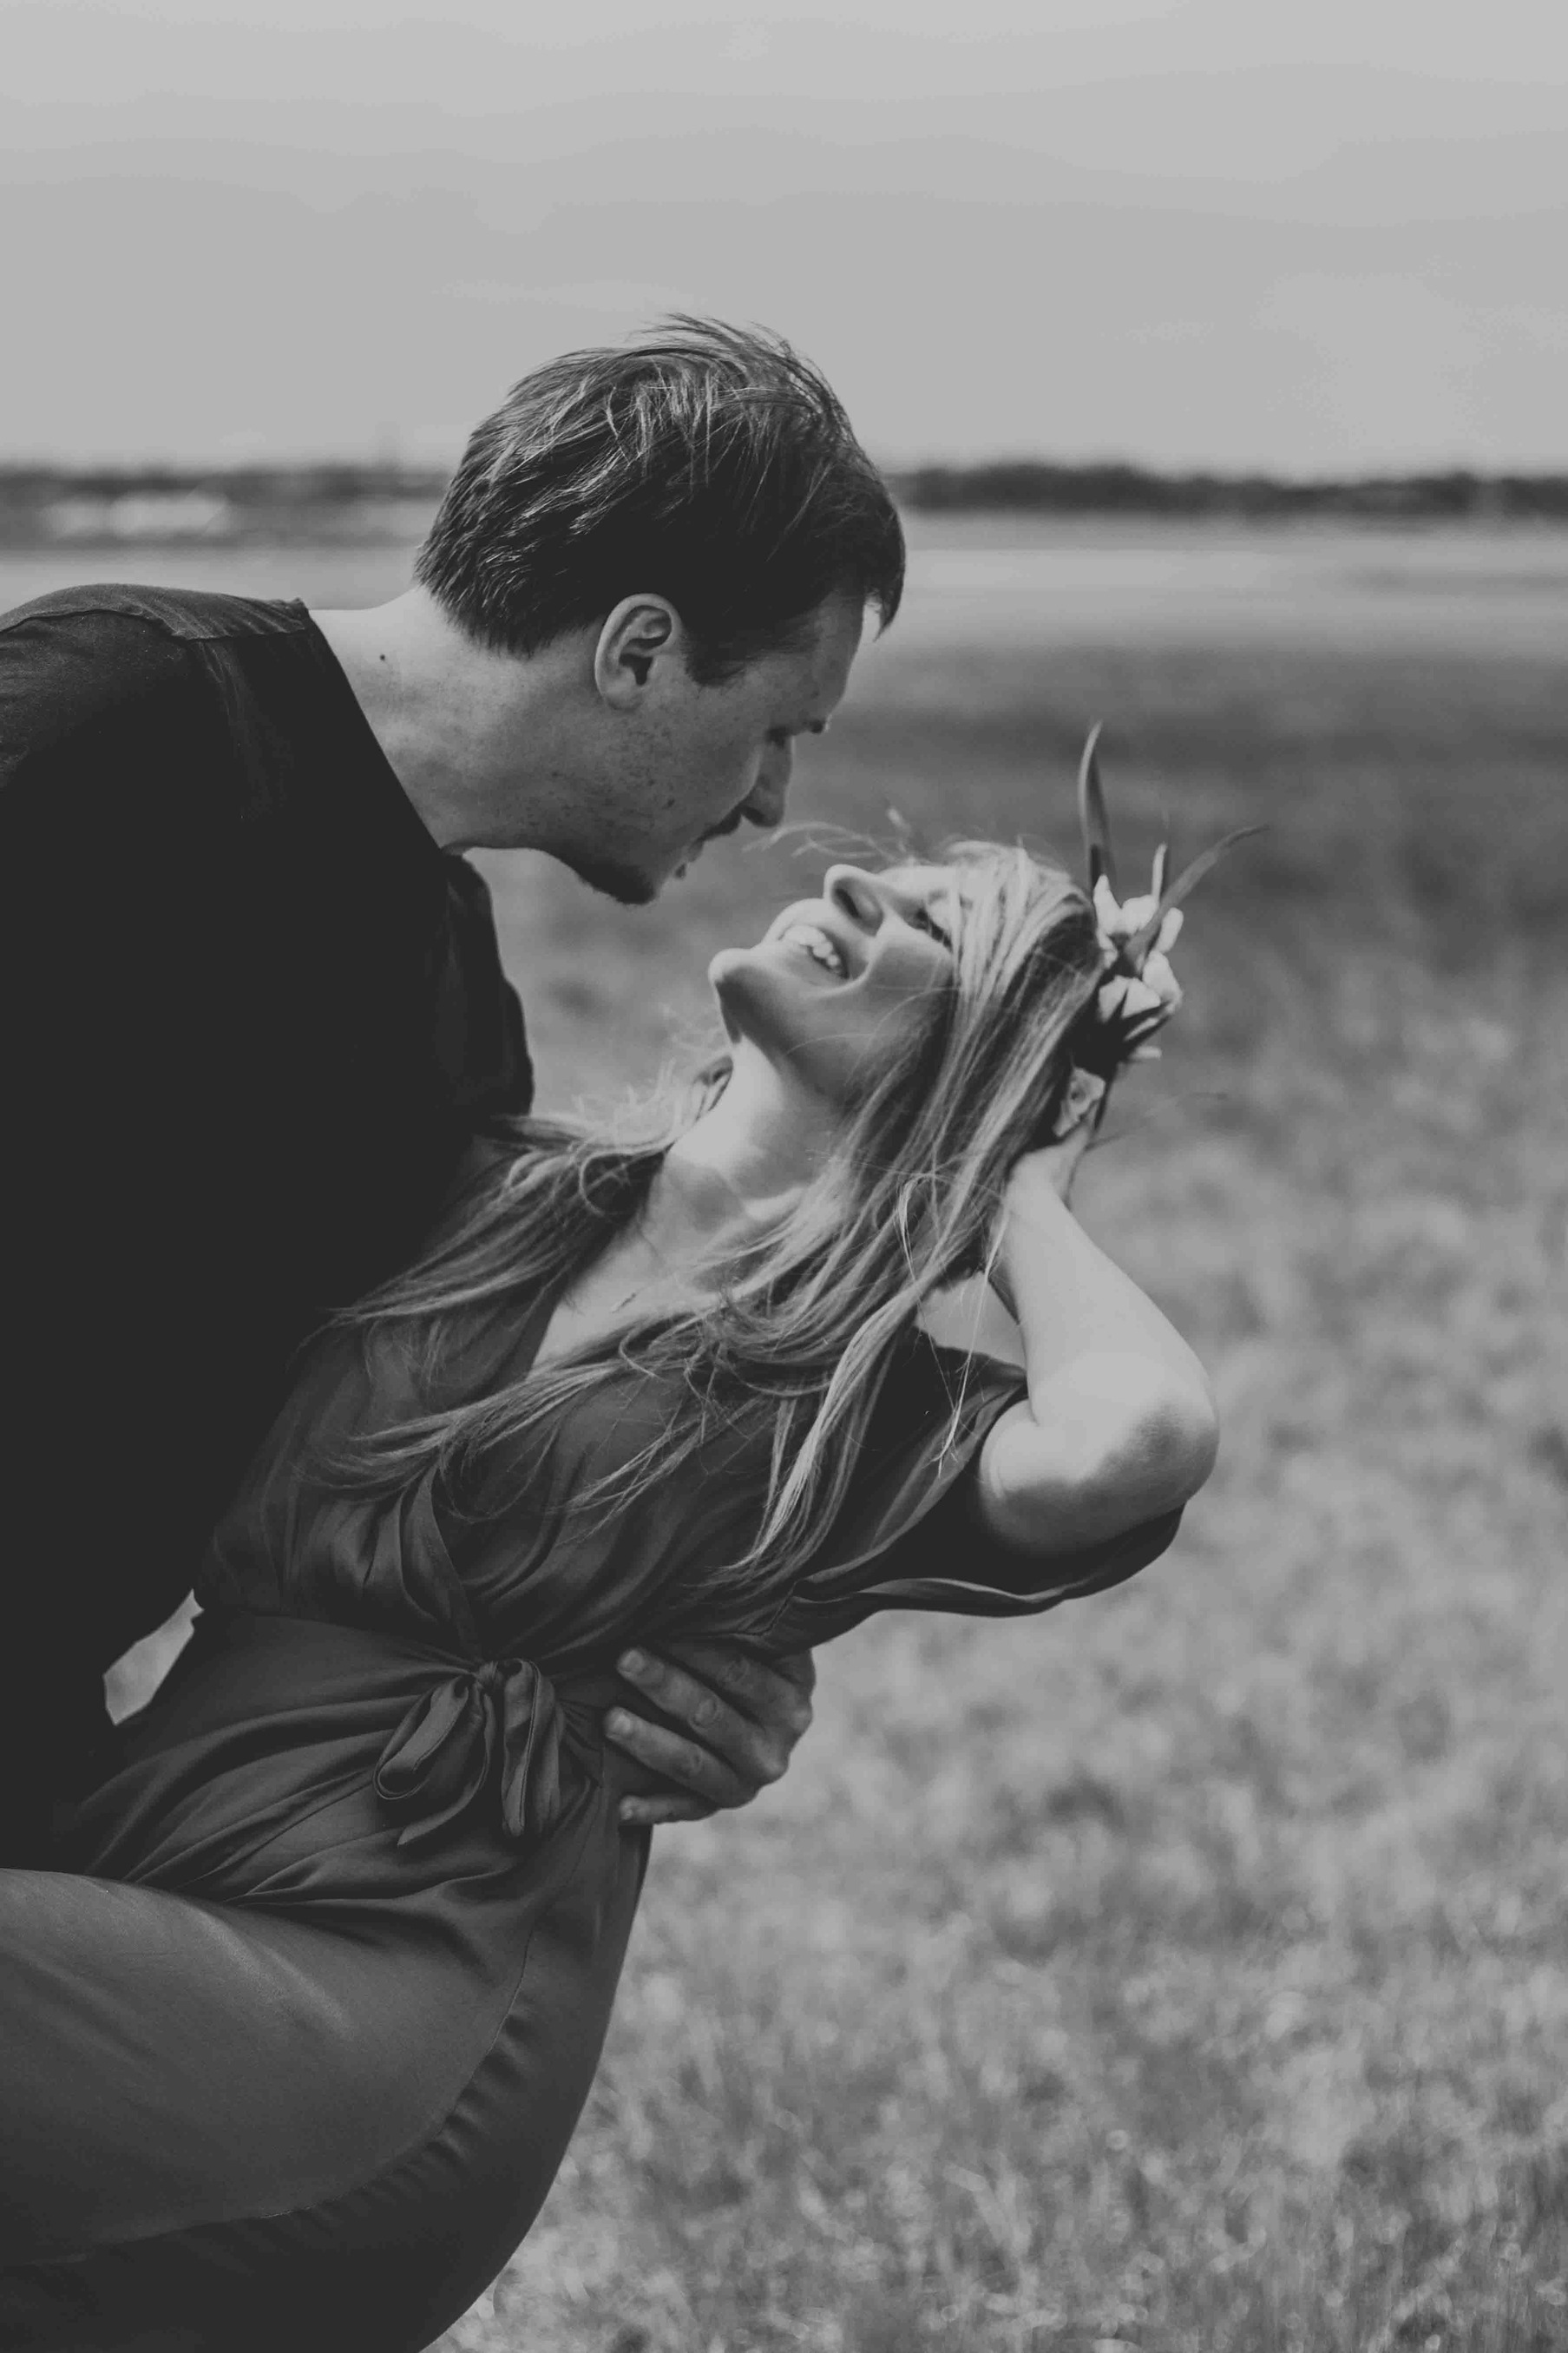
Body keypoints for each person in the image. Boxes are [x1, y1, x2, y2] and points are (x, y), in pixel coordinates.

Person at [0, 838, 1218, 2350]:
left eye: (929, 926)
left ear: (979, 1057)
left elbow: (1130, 1443)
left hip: (382, 2004)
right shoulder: (481, 1186)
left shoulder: (841, 1401)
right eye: (880, 878)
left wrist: (1018, 1175)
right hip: (139, 1869)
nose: (852, 885)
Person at [0, 319, 901, 1863]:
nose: (770, 799)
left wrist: (685, 1659)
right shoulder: (111, 720)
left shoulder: (456, 1007)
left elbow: (411, 1459)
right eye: (777, 731)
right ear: (638, 651)